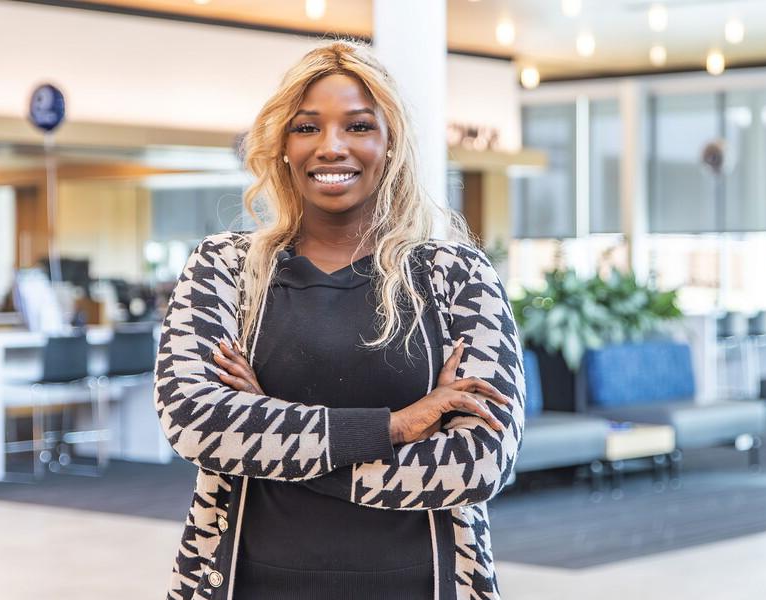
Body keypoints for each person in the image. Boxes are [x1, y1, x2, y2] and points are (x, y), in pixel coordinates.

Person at [154, 38, 525, 600]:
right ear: (281, 144)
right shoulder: (223, 267)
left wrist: (267, 428)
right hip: (244, 582)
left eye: (357, 126)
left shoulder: (457, 275)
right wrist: (393, 428)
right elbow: (194, 420)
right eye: (307, 127)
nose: (330, 147)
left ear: (390, 144)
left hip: (425, 584)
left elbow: (478, 463)